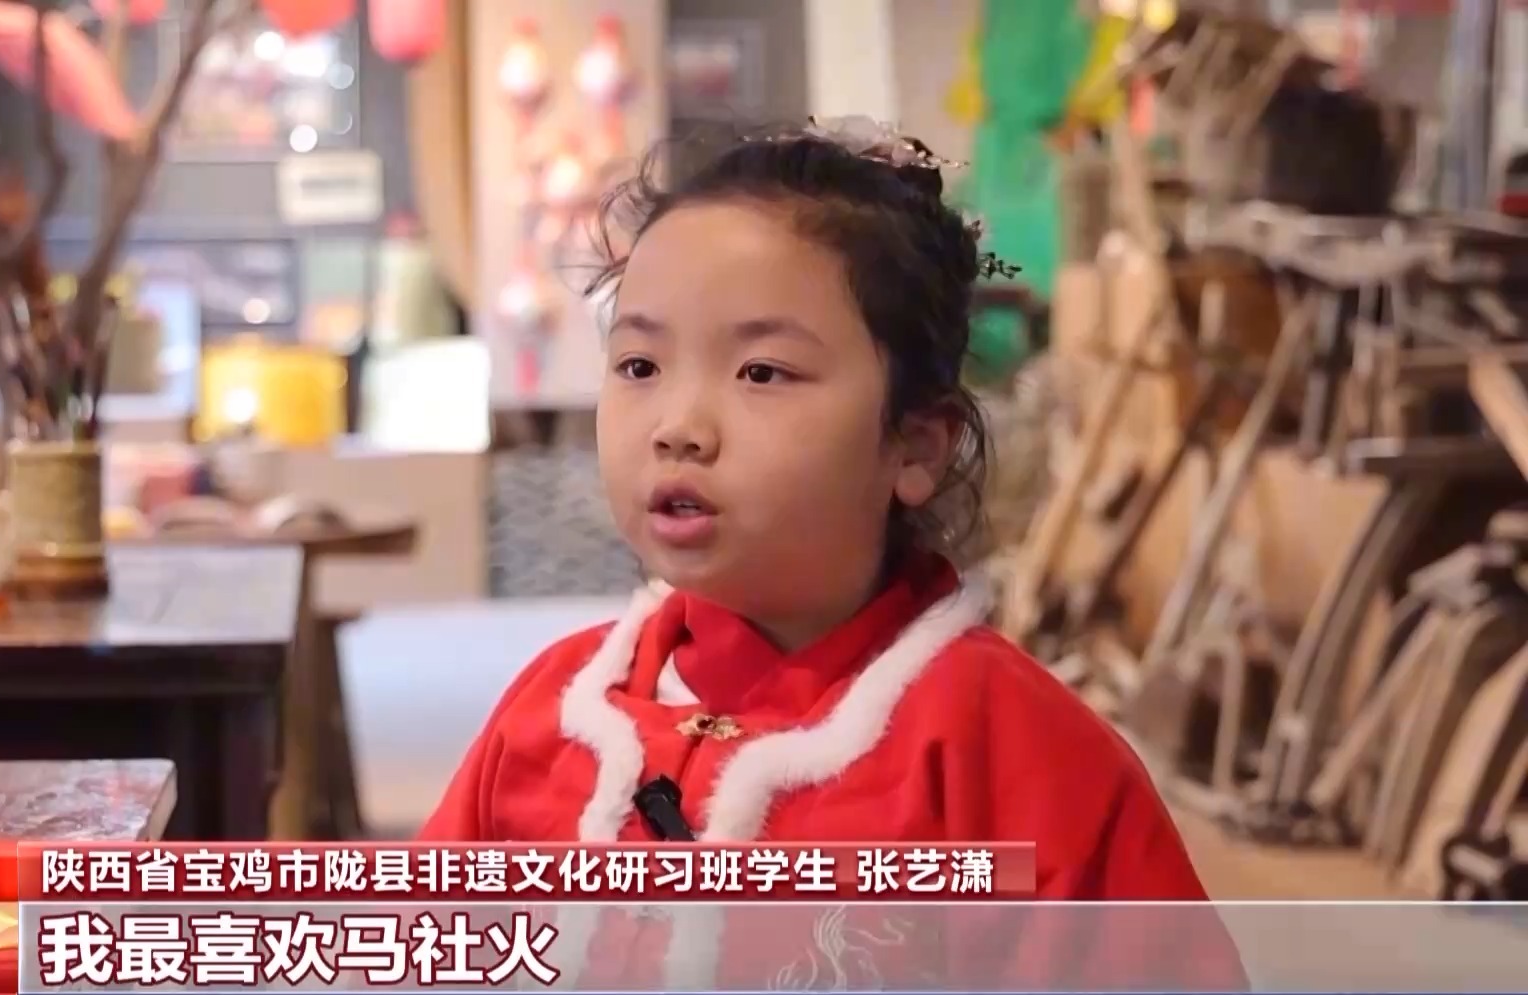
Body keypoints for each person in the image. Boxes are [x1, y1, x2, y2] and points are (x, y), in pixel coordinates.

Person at [420, 120, 1243, 989]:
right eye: (638, 365)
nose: (677, 427)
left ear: (915, 445)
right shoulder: (551, 711)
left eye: (761, 372)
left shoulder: (1017, 754)